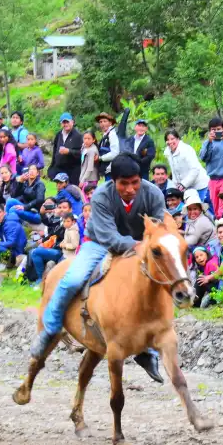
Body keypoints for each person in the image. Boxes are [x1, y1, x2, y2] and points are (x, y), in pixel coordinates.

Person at [28, 154, 165, 383]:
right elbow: (108, 236)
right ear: (113, 181)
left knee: (155, 284)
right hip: (99, 244)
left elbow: (157, 226)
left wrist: (148, 246)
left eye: (135, 182)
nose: (130, 188)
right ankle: (49, 330)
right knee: (72, 280)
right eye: (124, 183)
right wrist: (137, 245)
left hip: (139, 246)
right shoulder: (102, 195)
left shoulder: (154, 194)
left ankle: (147, 349)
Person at [164, 130, 210, 207]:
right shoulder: (168, 152)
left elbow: (195, 169)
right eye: (167, 140)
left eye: (172, 139)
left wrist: (183, 184)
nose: (170, 142)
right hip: (185, 188)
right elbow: (174, 171)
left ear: (178, 139)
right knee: (189, 210)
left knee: (202, 208)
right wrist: (176, 186)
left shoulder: (186, 149)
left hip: (199, 185)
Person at [50, 112, 83, 185]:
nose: (65, 124)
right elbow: (55, 152)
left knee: (72, 193)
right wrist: (52, 168)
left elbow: (82, 153)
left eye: (67, 122)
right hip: (60, 171)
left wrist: (69, 151)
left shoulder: (78, 136)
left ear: (72, 122)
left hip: (73, 172)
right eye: (63, 122)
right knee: (61, 192)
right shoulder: (58, 135)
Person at [95, 112, 121, 178]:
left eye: (105, 121)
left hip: (112, 170)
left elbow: (115, 153)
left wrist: (100, 158)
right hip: (108, 170)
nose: (102, 124)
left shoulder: (112, 134)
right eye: (100, 122)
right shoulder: (106, 134)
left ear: (110, 123)